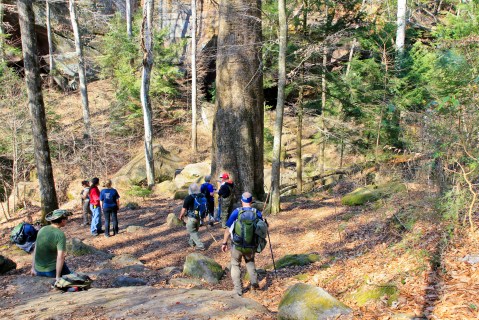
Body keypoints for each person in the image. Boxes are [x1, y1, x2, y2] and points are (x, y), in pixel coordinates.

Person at [221, 192, 262, 296]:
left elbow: (227, 229)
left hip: (237, 245)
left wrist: (224, 242)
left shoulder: (236, 212)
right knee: (250, 262)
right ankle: (254, 286)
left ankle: (238, 290)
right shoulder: (256, 212)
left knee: (235, 264)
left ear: (242, 201)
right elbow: (262, 228)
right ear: (251, 201)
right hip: (251, 245)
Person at [31, 209, 72, 279]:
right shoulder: (60, 235)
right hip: (51, 271)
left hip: (38, 270)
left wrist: (33, 268)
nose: (67, 220)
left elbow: (36, 248)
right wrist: (57, 277)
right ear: (63, 221)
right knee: (73, 277)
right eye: (66, 218)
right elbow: (60, 257)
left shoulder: (42, 229)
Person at [178, 183, 206, 251]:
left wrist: (181, 216)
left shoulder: (189, 197)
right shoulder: (202, 196)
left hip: (192, 218)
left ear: (190, 190)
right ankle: (191, 243)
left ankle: (200, 246)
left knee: (192, 231)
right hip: (199, 218)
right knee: (194, 230)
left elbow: (184, 209)